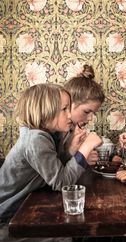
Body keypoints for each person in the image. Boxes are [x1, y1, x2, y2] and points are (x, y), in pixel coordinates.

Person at [0, 83, 102, 242]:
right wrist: (86, 148)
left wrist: (71, 150)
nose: (70, 115)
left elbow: (54, 170)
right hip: (8, 218)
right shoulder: (35, 139)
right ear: (45, 111)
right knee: (66, 236)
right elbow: (61, 183)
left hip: (23, 208)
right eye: (64, 109)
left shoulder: (47, 135)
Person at [60, 64, 105, 166]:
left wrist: (75, 152)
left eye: (93, 113)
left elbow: (61, 161)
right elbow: (53, 173)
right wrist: (81, 158)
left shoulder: (71, 129)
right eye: (86, 112)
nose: (89, 118)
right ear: (69, 103)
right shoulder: (53, 129)